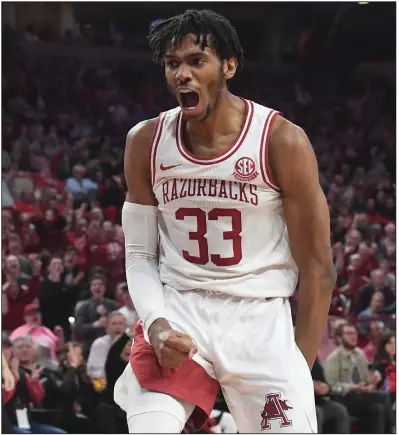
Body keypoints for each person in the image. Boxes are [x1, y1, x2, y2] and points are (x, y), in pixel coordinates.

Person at [115, 9, 336, 434]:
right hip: (180, 309)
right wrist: (157, 324)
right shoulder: (145, 141)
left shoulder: (280, 140)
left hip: (259, 320)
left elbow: (319, 270)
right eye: (173, 63)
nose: (182, 74)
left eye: (197, 61)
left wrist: (296, 366)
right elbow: (140, 253)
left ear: (229, 66)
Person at [323, 322, 394, 433]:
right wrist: (354, 388)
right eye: (349, 333)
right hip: (344, 398)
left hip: (361, 396)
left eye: (355, 333)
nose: (353, 336)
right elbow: (332, 387)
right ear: (340, 338)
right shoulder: (333, 359)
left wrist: (372, 382)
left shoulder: (360, 354)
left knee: (378, 410)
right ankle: (393, 430)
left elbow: (366, 378)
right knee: (383, 396)